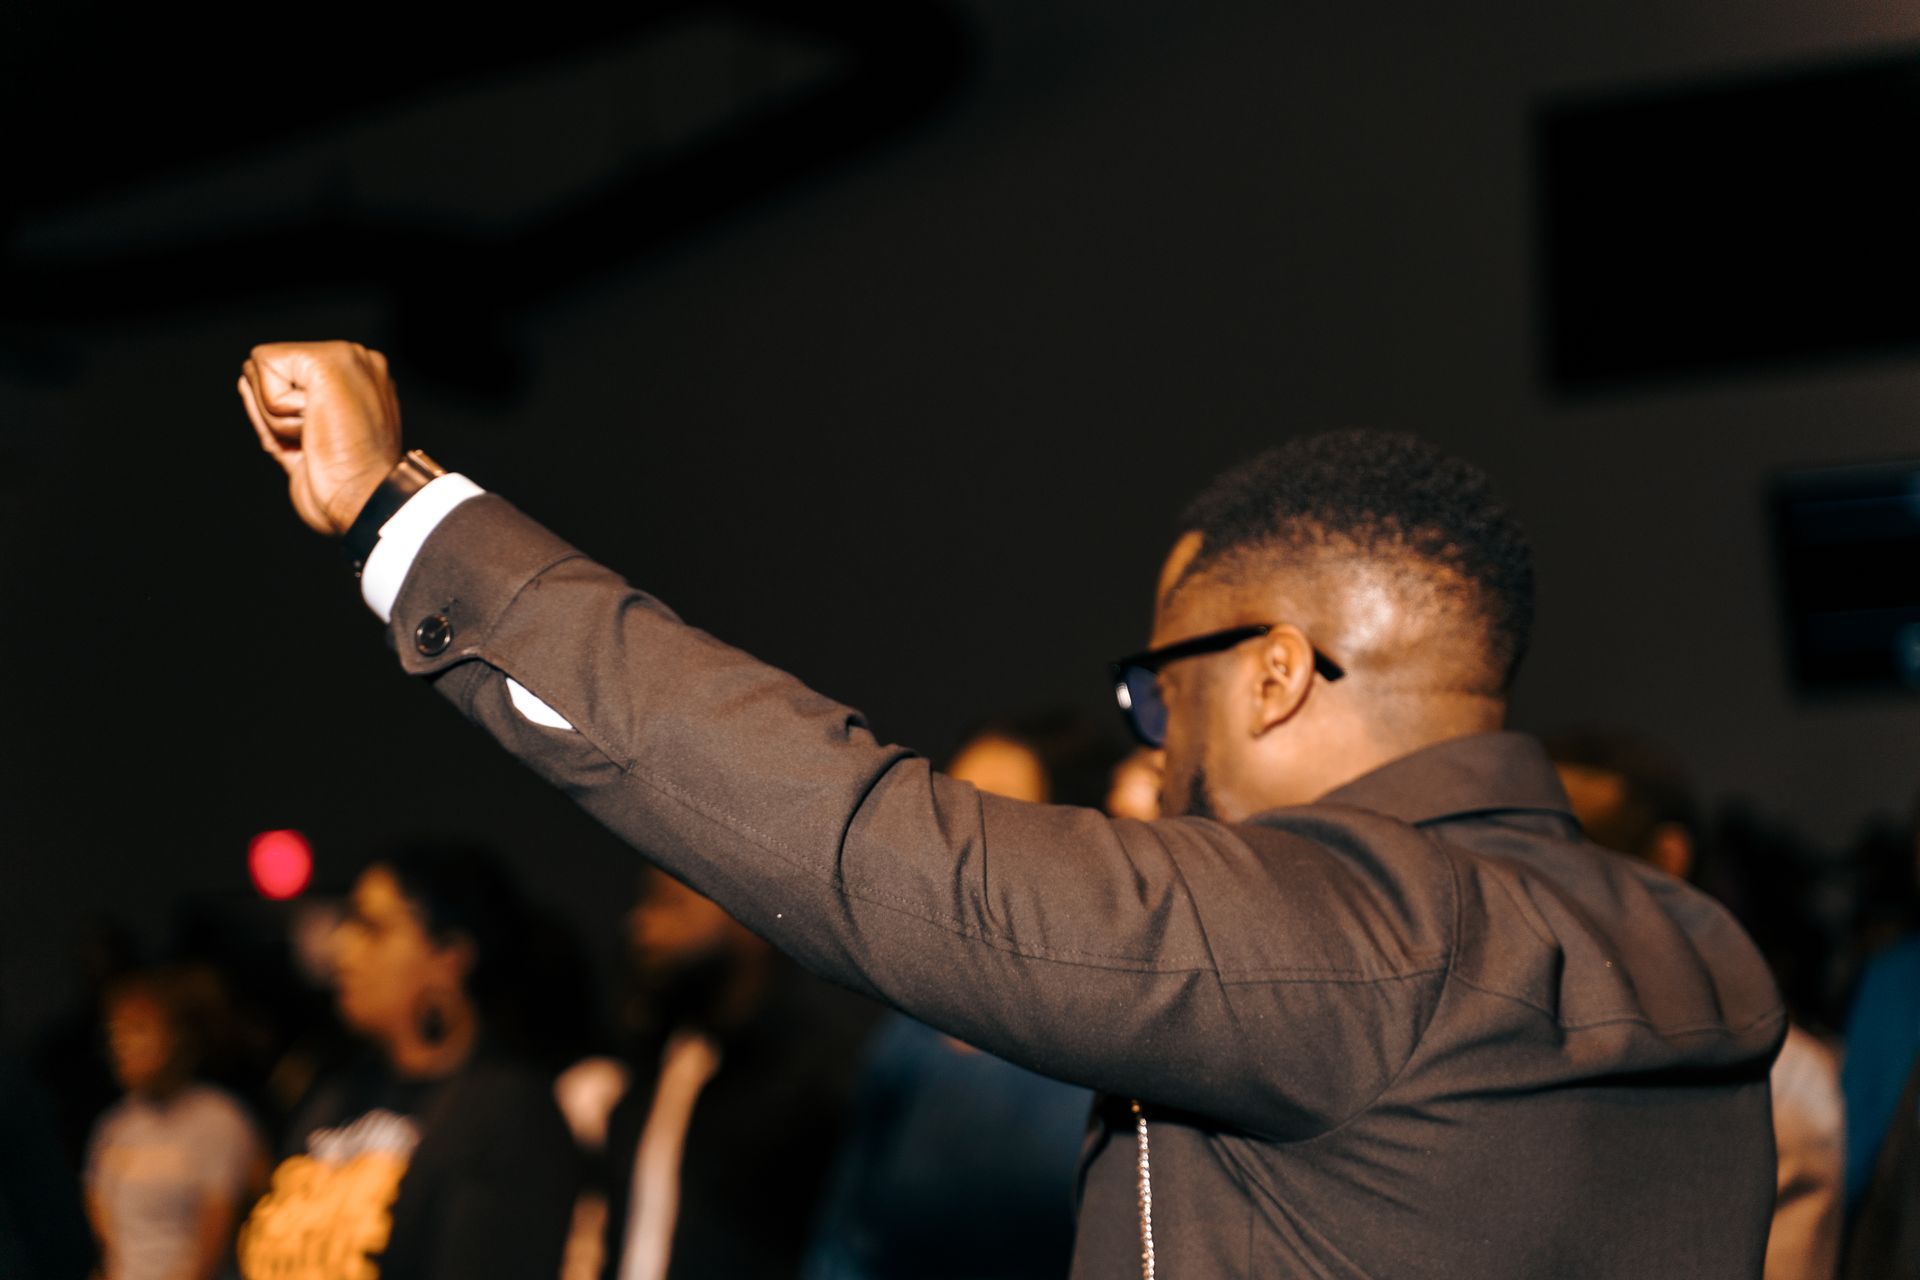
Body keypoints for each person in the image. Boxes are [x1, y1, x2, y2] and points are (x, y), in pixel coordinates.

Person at [237, 341, 1785, 1279]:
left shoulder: (1353, 939)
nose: (1156, 752)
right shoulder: (1690, 949)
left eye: (1156, 686)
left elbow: (849, 837)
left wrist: (409, 518)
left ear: (1273, 673)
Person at [804, 718, 1109, 1280]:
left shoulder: (1109, 1052)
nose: (958, 850)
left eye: (995, 822)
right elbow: (846, 1237)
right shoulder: (911, 1040)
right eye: (944, 817)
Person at [1548, 729, 1845, 1280]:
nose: (1537, 891)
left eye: (1577, 858)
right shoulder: (1498, 1046)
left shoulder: (1775, 1077)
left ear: (1666, 859)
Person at [235, 843, 578, 1280]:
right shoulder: (333, 1095)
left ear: (449, 957)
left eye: (372, 927)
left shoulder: (507, 1111)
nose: (343, 948)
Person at [85, 967, 265, 1280]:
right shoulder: (114, 1129)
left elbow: (211, 1245)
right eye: (116, 1034)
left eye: (138, 1030)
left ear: (178, 1035)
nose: (122, 1045)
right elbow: (109, 1237)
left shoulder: (218, 1120)